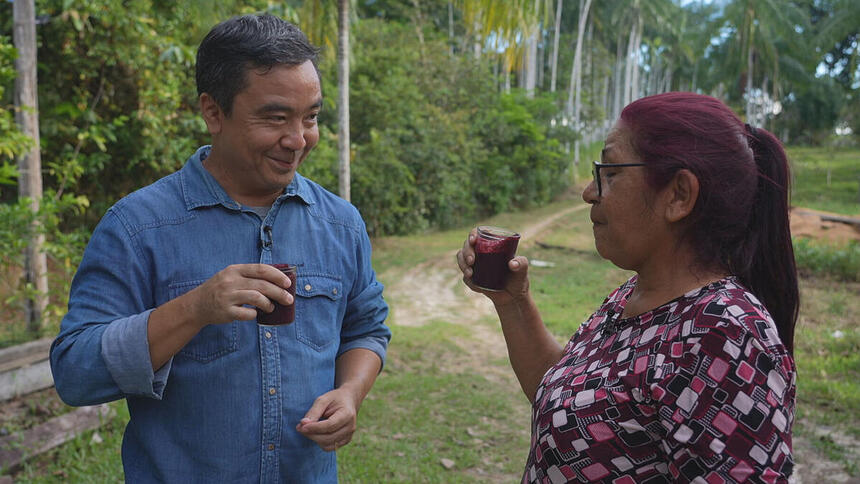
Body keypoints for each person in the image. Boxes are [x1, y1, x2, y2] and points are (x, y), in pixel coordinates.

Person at [50, 14, 390, 483]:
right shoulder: (136, 226)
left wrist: (351, 392)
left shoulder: (340, 223)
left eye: (310, 117)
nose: (298, 140)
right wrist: (195, 308)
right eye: (274, 118)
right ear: (213, 112)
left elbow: (366, 328)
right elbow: (75, 371)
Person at [457, 92, 797, 483]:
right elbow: (569, 405)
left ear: (678, 195)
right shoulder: (633, 297)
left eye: (611, 172)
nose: (589, 192)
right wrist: (512, 302)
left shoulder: (726, 335)